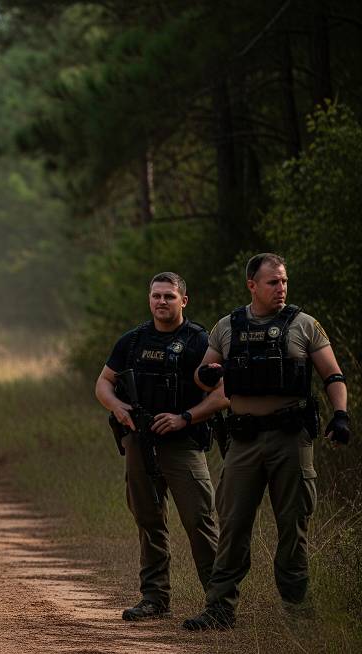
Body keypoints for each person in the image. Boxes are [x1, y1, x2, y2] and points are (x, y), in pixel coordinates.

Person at [183, 253, 351, 631]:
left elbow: (333, 374)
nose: (281, 288)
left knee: (294, 524)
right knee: (233, 523)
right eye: (273, 282)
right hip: (243, 440)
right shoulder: (228, 326)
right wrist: (207, 373)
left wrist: (340, 414)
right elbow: (203, 375)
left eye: (285, 282)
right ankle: (219, 608)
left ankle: (296, 611)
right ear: (252, 285)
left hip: (290, 439)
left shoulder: (304, 325)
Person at [94, 272, 226, 622]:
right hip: (140, 441)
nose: (161, 302)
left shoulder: (200, 342)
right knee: (148, 520)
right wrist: (117, 407)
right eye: (156, 296)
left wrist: (185, 416)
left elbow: (223, 395)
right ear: (149, 299)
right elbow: (104, 383)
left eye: (169, 296)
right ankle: (154, 598)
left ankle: (219, 603)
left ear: (183, 300)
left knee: (199, 520)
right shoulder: (133, 341)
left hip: (182, 444)